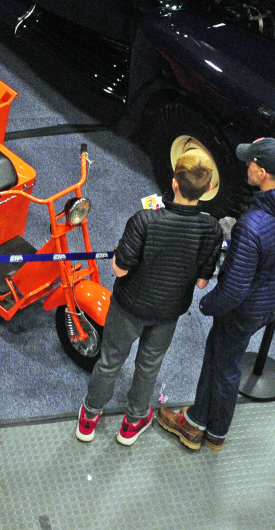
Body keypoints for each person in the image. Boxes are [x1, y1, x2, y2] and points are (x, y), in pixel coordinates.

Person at [157, 137, 275, 450]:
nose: (246, 166)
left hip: (243, 310)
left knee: (222, 364)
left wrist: (208, 305)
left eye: (251, 162)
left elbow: (233, 290)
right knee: (222, 360)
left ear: (262, 173)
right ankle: (201, 421)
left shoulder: (252, 225)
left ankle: (202, 429)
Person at [76, 152, 222, 446]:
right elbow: (203, 281)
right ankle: (132, 422)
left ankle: (90, 418)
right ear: (207, 190)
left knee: (110, 361)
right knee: (149, 365)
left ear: (174, 183)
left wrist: (122, 252)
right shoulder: (211, 230)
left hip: (129, 306)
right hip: (168, 312)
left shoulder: (144, 219)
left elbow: (119, 269)